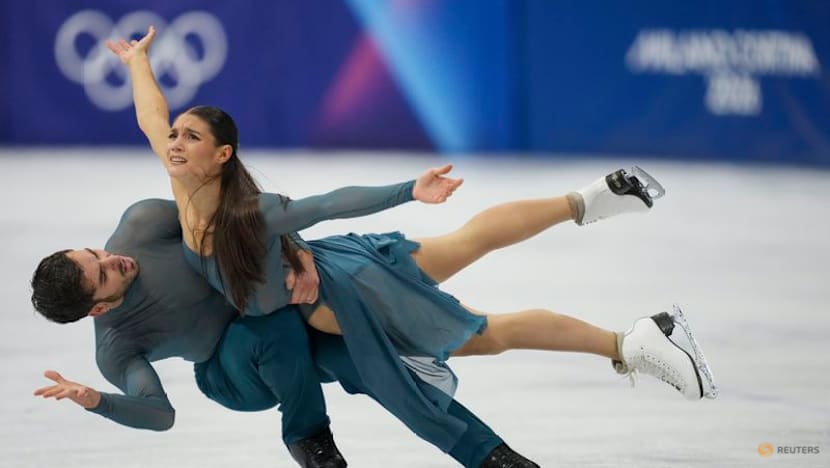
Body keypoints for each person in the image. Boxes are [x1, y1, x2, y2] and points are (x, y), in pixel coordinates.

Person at [30, 198, 535, 468]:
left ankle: (491, 457)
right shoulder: (117, 348)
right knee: (267, 326)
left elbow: (248, 220)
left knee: (366, 360)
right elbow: (160, 415)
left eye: (93, 252)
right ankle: (308, 436)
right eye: (104, 274)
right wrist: (99, 401)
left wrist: (297, 251)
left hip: (283, 321)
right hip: (233, 371)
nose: (111, 259)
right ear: (98, 308)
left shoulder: (143, 222)